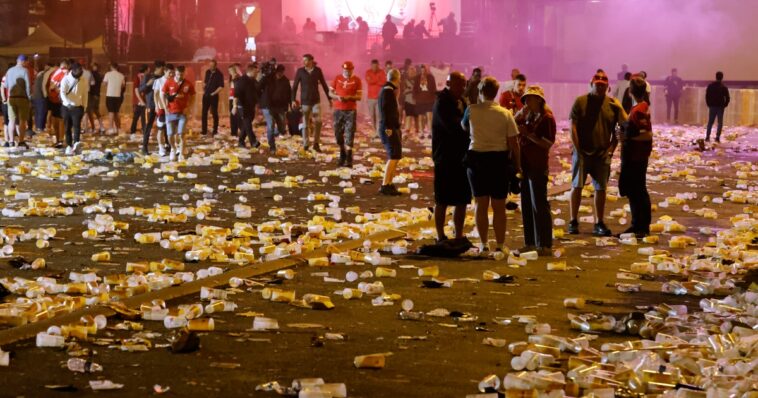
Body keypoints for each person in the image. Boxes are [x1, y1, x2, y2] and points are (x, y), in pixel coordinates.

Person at [461, 77, 520, 253]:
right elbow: (513, 143)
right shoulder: (505, 114)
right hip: (498, 162)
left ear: (480, 92)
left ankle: (483, 243)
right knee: (499, 206)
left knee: (480, 204)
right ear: (495, 92)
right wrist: (517, 165)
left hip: (476, 160)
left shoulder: (471, 110)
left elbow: (464, 127)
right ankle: (500, 244)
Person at [567, 70, 626, 237]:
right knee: (577, 186)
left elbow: (620, 129)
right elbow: (573, 126)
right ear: (591, 84)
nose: (600, 87)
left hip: (601, 154)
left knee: (601, 189)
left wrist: (610, 150)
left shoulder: (612, 105)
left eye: (603, 85)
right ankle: (573, 220)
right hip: (582, 152)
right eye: (597, 84)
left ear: (607, 87)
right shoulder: (581, 101)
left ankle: (599, 222)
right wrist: (578, 149)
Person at [514, 86, 555, 255]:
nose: (526, 102)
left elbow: (547, 143)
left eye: (529, 99)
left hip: (538, 165)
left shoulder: (546, 118)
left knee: (539, 205)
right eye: (525, 99)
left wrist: (529, 135)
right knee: (527, 205)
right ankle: (530, 242)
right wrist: (520, 113)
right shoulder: (529, 116)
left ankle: (544, 244)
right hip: (526, 165)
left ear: (539, 99)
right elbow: (512, 122)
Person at [431, 71, 470, 241]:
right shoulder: (442, 103)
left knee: (462, 200)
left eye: (464, 84)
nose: (462, 87)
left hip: (461, 157)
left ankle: (459, 234)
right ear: (449, 84)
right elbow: (454, 128)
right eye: (459, 84)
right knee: (443, 199)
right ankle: (440, 235)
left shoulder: (462, 101)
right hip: (445, 157)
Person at [617, 77, 653, 238]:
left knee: (637, 191)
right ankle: (638, 224)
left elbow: (646, 135)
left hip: (636, 157)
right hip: (637, 155)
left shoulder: (639, 110)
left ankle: (640, 226)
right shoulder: (641, 107)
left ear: (630, 91)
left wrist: (628, 138)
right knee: (636, 190)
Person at [291, 54, 331, 151]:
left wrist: (329, 98)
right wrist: (292, 100)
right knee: (305, 124)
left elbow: (324, 85)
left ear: (311, 61)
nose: (303, 62)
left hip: (315, 101)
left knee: (318, 121)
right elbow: (295, 86)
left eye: (305, 60)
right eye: (303, 60)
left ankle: (316, 143)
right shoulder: (300, 71)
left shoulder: (317, 71)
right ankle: (306, 144)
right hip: (304, 102)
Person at [329, 61, 362, 167]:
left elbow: (359, 96)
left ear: (352, 69)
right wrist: (337, 97)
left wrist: (349, 98)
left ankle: (349, 157)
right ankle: (342, 151)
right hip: (338, 109)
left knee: (349, 132)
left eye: (349, 70)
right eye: (345, 70)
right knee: (337, 133)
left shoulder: (357, 80)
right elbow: (330, 93)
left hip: (350, 110)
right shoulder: (337, 78)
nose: (347, 72)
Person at [161, 65, 195, 161]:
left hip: (182, 114)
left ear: (184, 73)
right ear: (175, 73)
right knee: (170, 135)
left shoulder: (188, 84)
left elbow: (193, 96)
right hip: (170, 112)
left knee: (181, 134)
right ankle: (173, 148)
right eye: (178, 74)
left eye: (181, 74)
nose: (179, 76)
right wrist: (164, 107)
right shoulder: (169, 82)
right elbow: (162, 94)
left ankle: (181, 152)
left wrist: (189, 107)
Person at [378, 68, 403, 196]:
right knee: (393, 155)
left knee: (396, 155)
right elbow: (385, 110)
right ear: (397, 78)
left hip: (392, 126)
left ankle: (389, 183)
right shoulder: (387, 91)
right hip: (388, 127)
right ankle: (385, 184)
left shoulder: (389, 90)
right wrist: (388, 127)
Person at [260, 64, 291, 153]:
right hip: (268, 106)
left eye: (281, 72)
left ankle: (271, 135)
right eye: (278, 72)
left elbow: (289, 93)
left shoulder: (285, 81)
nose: (279, 74)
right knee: (271, 125)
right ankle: (272, 146)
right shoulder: (269, 78)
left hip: (280, 106)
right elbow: (259, 86)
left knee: (282, 128)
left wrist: (289, 104)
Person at [60, 62, 89, 155]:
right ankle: (69, 145)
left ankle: (76, 145)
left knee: (77, 127)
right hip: (67, 107)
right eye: (78, 70)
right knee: (67, 127)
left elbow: (85, 94)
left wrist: (85, 106)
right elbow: (62, 93)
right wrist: (68, 103)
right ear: (73, 70)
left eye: (81, 70)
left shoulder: (83, 80)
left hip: (77, 107)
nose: (80, 72)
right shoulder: (66, 79)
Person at [4, 55, 32, 148]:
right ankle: (20, 141)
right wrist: (29, 97)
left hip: (11, 98)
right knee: (22, 121)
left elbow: (6, 85)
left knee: (11, 120)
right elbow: (28, 85)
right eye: (27, 62)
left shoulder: (9, 71)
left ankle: (11, 141)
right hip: (22, 98)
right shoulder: (24, 71)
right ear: (23, 61)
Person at [233, 63, 261, 150]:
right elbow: (236, 95)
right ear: (251, 71)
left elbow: (256, 94)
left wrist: (256, 105)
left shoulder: (253, 81)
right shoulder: (242, 81)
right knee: (247, 123)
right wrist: (234, 106)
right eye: (256, 72)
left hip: (251, 106)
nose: (257, 74)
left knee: (246, 125)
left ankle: (241, 141)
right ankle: (253, 141)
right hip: (243, 106)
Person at [140, 60, 165, 155]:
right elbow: (141, 89)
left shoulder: (163, 77)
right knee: (148, 126)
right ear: (160, 67)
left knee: (164, 126)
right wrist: (147, 84)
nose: (164, 70)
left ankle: (166, 146)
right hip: (151, 105)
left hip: (161, 105)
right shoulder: (148, 77)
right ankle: (144, 147)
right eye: (163, 68)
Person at [46, 59, 69, 147]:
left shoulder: (54, 73)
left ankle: (59, 139)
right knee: (60, 121)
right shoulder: (64, 73)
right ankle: (60, 140)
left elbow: (49, 86)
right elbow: (53, 86)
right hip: (60, 100)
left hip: (54, 99)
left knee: (56, 120)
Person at [705, 71, 729, 143]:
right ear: (722, 78)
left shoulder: (710, 86)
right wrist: (725, 105)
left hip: (712, 106)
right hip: (720, 107)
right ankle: (717, 137)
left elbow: (707, 96)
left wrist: (708, 104)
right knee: (720, 122)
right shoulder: (724, 87)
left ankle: (707, 137)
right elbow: (727, 97)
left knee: (710, 122)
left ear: (716, 77)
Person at [201, 59, 224, 136]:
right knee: (204, 113)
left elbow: (221, 86)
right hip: (206, 95)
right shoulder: (207, 72)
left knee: (214, 113)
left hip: (213, 96)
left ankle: (215, 130)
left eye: (212, 66)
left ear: (215, 66)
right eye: (210, 65)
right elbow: (205, 81)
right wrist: (203, 88)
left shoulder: (219, 74)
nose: (210, 67)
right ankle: (204, 130)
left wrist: (214, 93)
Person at [102, 62, 125, 134]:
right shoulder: (121, 75)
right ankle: (118, 128)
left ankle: (111, 128)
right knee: (116, 112)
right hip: (118, 96)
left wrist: (109, 86)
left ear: (111, 67)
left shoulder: (108, 74)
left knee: (111, 112)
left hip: (110, 95)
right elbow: (123, 85)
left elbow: (104, 84)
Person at [365, 59, 387, 133]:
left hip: (379, 98)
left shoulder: (382, 72)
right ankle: (374, 129)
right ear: (371, 66)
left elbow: (384, 82)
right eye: (373, 66)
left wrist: (374, 80)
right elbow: (369, 81)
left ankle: (378, 130)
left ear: (378, 66)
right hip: (370, 98)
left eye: (376, 66)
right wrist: (378, 80)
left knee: (379, 115)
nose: (374, 68)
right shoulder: (368, 72)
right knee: (372, 115)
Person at [415, 64, 436, 135]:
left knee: (429, 117)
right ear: (420, 70)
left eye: (424, 70)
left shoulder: (430, 77)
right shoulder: (417, 77)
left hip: (429, 100)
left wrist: (433, 97)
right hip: (420, 101)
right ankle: (421, 132)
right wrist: (416, 97)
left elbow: (434, 88)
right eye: (422, 70)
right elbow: (414, 88)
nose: (423, 71)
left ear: (426, 70)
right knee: (420, 117)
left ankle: (430, 132)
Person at [32, 63, 51, 134]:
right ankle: (40, 128)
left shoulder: (39, 75)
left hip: (35, 96)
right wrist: (46, 95)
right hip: (41, 96)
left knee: (37, 112)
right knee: (41, 112)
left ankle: (38, 127)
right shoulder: (44, 76)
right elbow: (44, 87)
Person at [86, 62, 105, 134]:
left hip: (92, 95)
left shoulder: (92, 74)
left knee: (89, 111)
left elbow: (92, 84)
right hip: (96, 95)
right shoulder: (99, 75)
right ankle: (100, 126)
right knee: (95, 111)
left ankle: (93, 127)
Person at [130, 64, 148, 137]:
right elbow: (137, 90)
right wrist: (142, 101)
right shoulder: (142, 77)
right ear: (146, 70)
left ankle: (133, 130)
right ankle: (143, 130)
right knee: (143, 117)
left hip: (138, 100)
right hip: (141, 100)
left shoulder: (137, 77)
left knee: (136, 117)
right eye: (148, 69)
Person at [401, 65, 419, 134]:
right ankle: (407, 132)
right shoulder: (405, 81)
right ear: (408, 71)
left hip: (417, 102)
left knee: (416, 118)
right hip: (408, 101)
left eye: (413, 70)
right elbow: (403, 91)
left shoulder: (420, 80)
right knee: (408, 116)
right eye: (410, 70)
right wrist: (410, 90)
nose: (412, 71)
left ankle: (417, 132)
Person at [227, 63, 241, 137]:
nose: (230, 72)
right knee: (232, 115)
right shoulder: (231, 77)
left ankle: (237, 131)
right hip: (231, 98)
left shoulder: (237, 78)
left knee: (235, 115)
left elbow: (237, 89)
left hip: (235, 98)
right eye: (229, 70)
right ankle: (233, 132)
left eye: (231, 70)